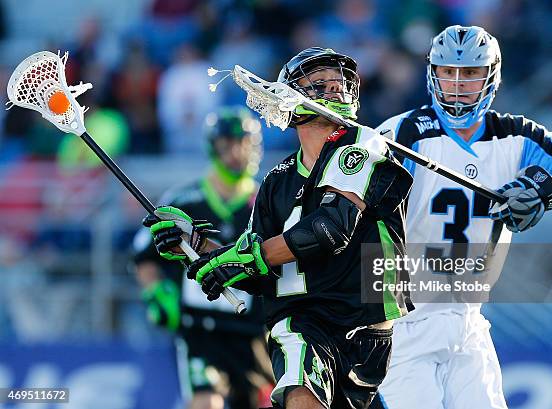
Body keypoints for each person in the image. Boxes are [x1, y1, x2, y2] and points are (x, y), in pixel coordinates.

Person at [146, 47, 414, 409]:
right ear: (291, 98)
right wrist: (195, 247)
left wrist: (246, 257)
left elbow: (329, 229)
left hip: (368, 328)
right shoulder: (276, 181)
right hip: (302, 321)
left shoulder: (364, 144)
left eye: (339, 83)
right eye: (320, 84)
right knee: (302, 394)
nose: (334, 90)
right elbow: (257, 273)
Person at [373, 25, 552, 409]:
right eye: (448, 72)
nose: (457, 83)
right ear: (433, 74)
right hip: (404, 320)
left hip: (469, 320)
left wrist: (542, 189)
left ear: (491, 76)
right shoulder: (402, 134)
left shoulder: (516, 136)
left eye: (469, 73)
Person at [132, 107, 273, 409]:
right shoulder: (183, 201)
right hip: (200, 331)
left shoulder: (267, 205)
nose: (237, 152)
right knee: (206, 402)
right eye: (227, 144)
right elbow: (144, 254)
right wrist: (156, 292)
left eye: (244, 143)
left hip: (253, 332)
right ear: (213, 148)